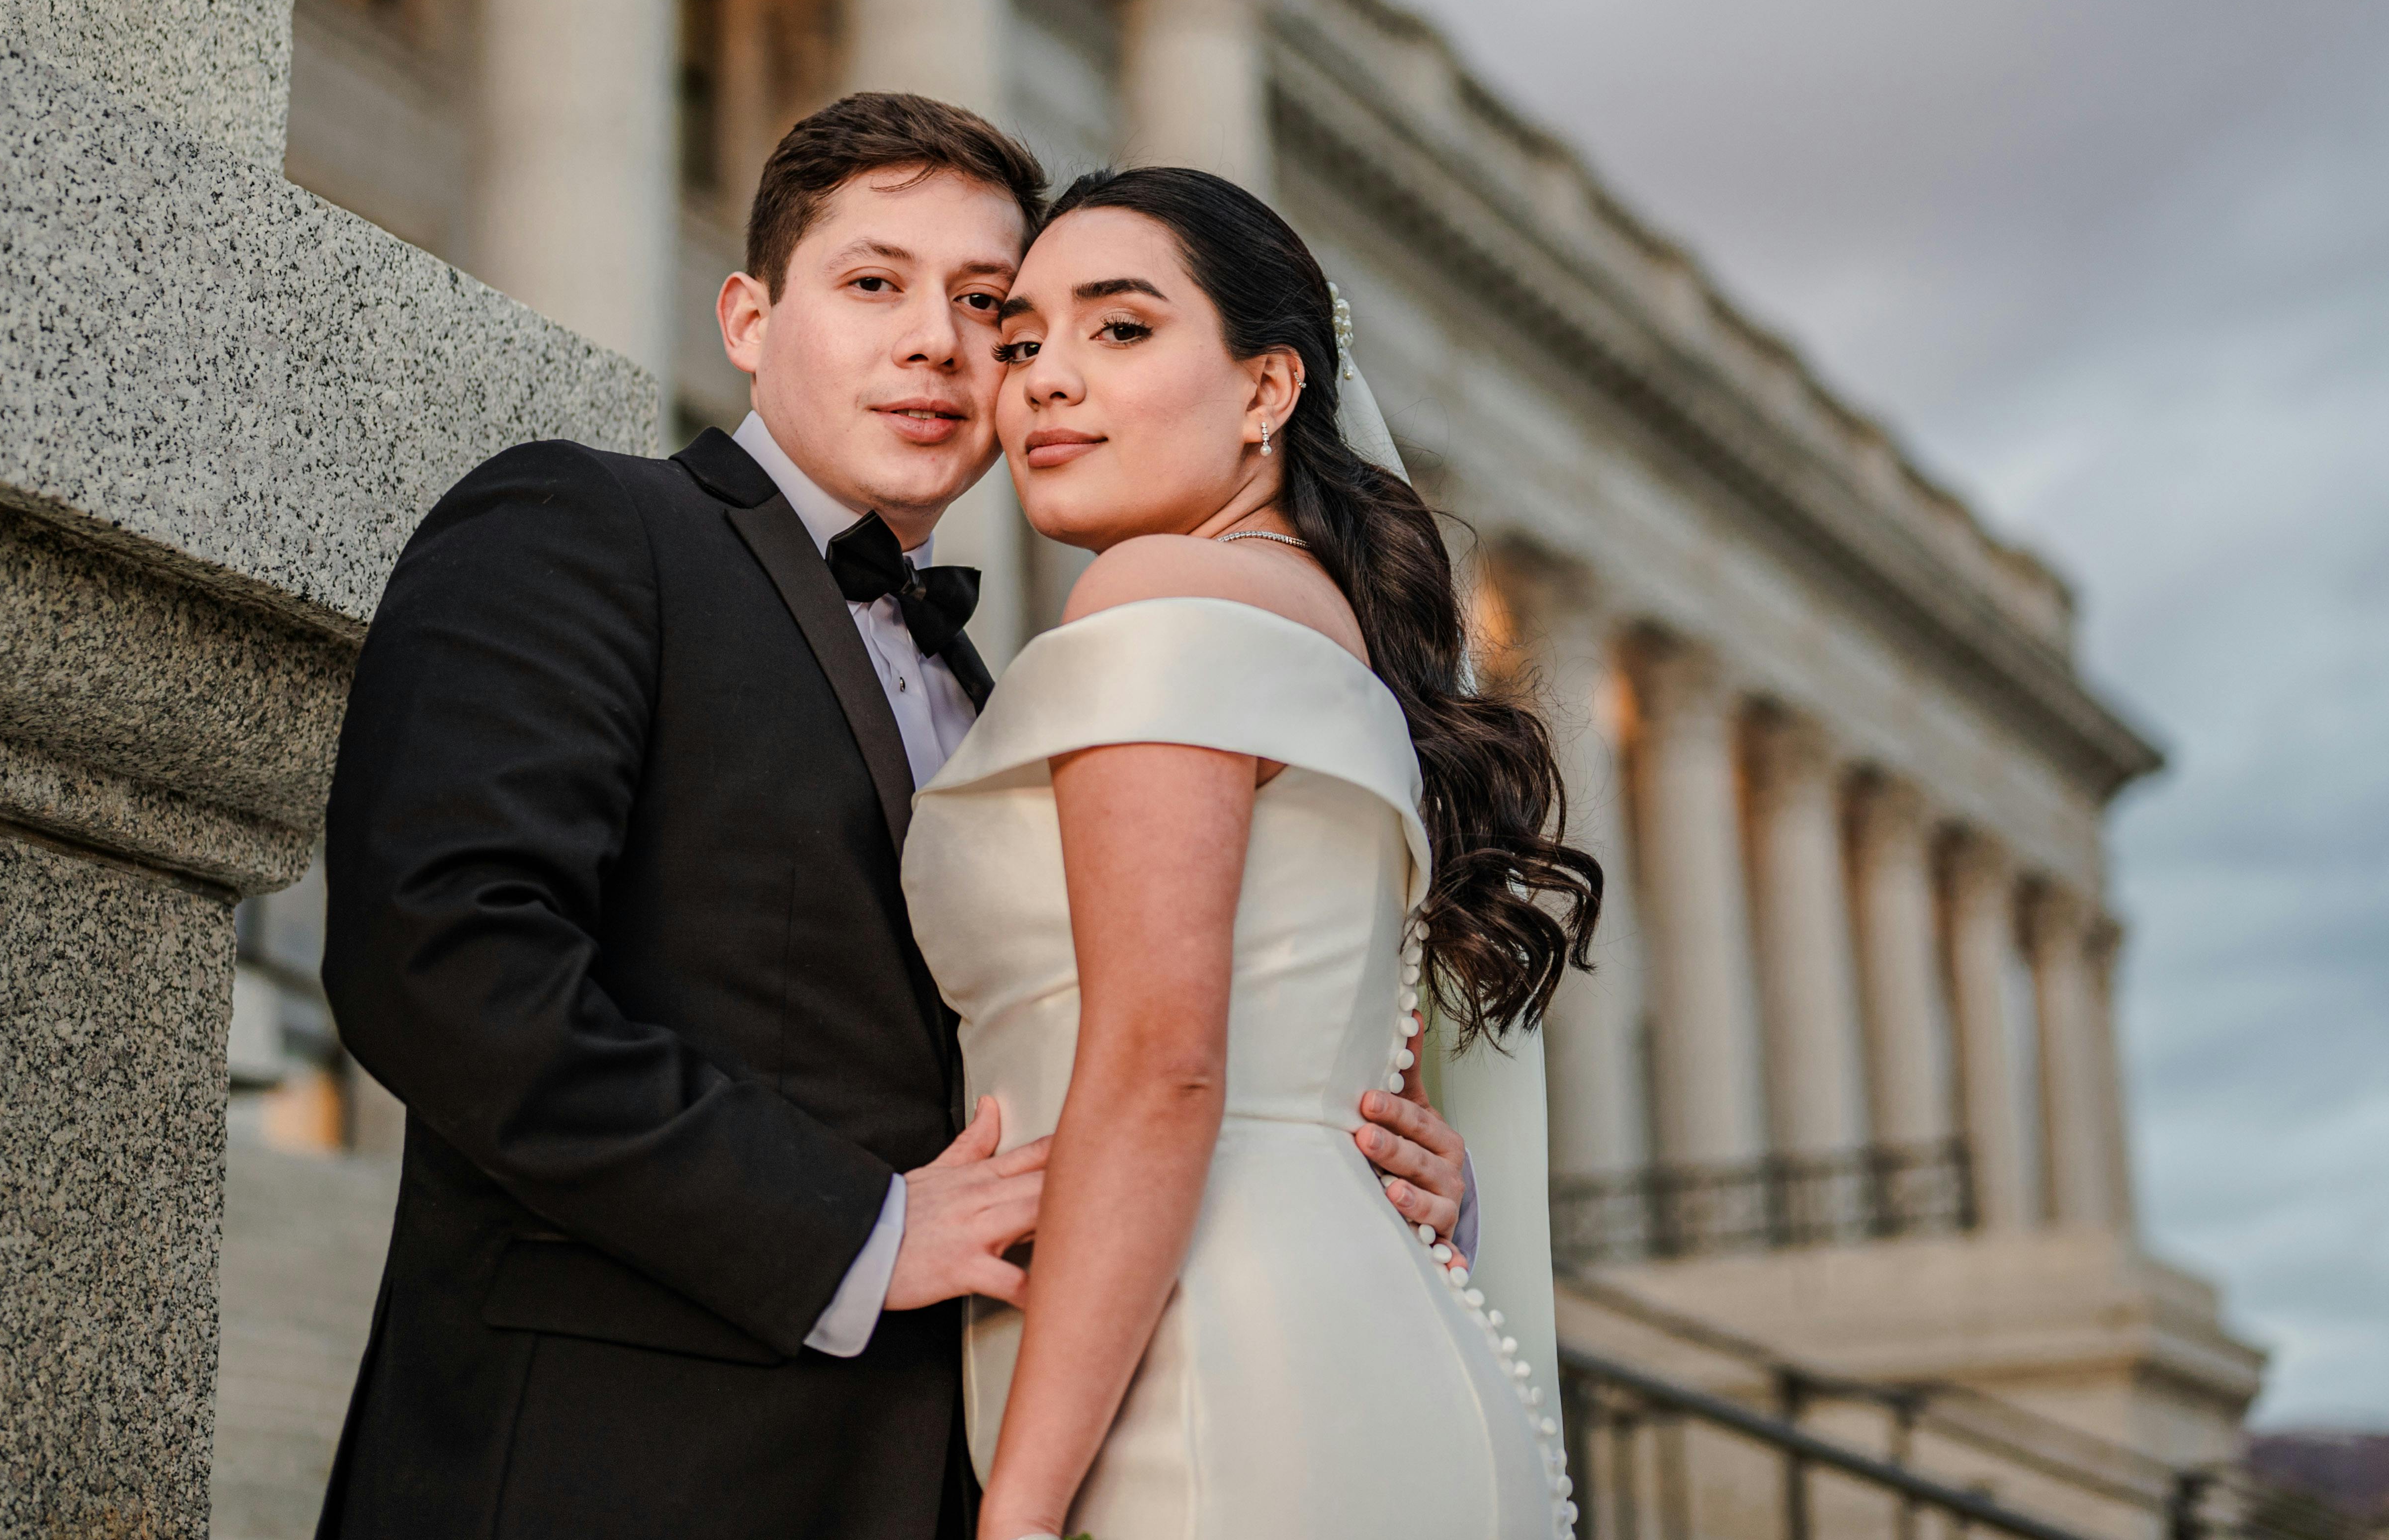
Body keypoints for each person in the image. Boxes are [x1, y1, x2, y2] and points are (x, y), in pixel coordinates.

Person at [313, 97, 1477, 1539]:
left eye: (989, 306)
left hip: (935, 1464)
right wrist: (857, 1227)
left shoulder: (1020, 688)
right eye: (874, 284)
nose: (938, 341)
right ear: (747, 319)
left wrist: (1347, 1152)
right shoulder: (582, 526)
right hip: (616, 1457)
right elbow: (440, 967)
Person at [903, 166, 1605, 1540]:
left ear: (1268, 390)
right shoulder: (1325, 627)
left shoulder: (1156, 595)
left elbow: (1162, 1065)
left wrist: (1021, 1513)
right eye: (1025, 339)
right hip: (1371, 1336)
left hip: (1210, 1371)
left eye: (1121, 329)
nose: (1045, 380)